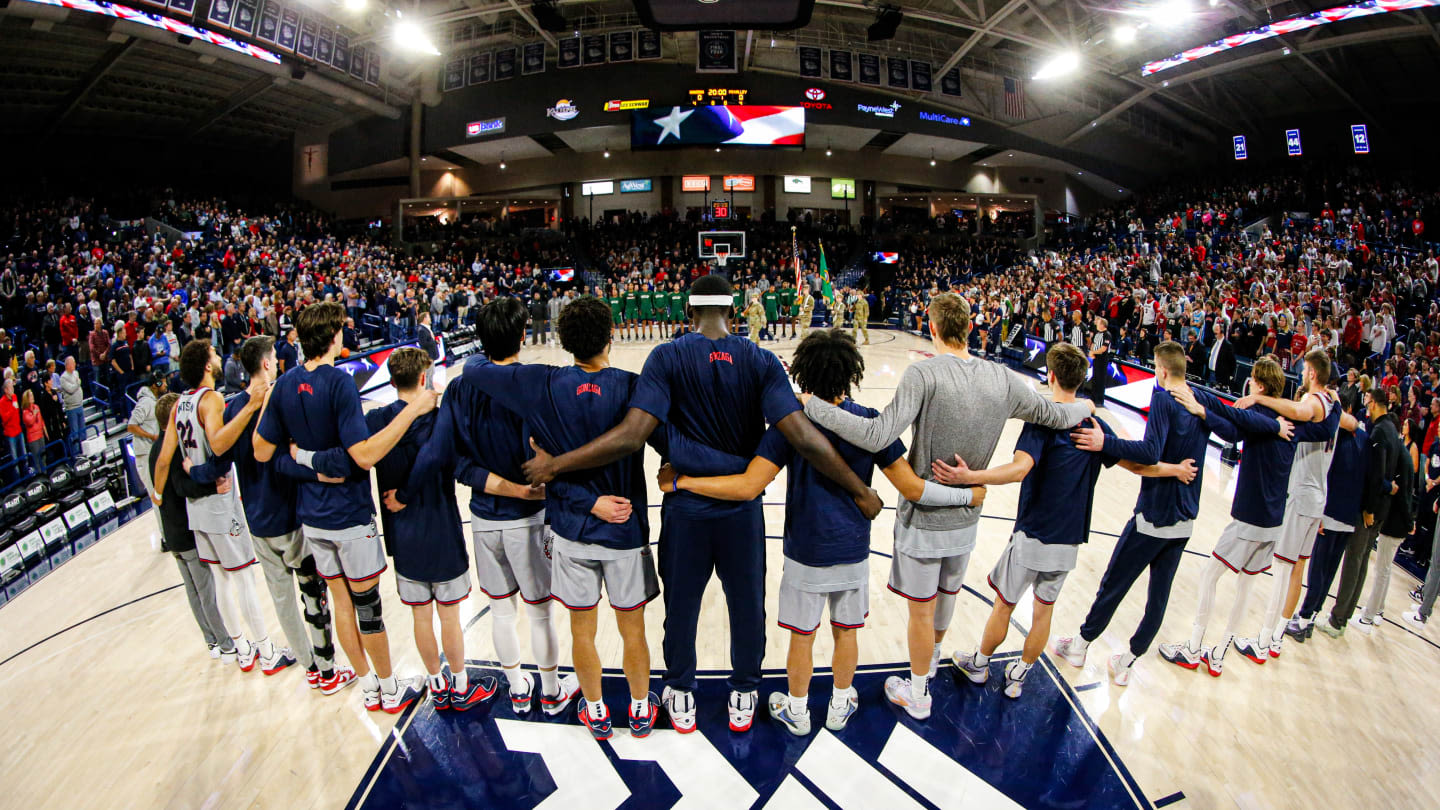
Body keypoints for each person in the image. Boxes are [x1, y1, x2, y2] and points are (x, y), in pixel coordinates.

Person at [518, 275, 882, 734]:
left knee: (682, 607)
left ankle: (683, 694)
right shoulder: (760, 360)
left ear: (688, 313)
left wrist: (557, 466)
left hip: (685, 508)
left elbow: (634, 434)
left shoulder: (666, 357)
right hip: (740, 514)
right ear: (732, 312)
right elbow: (802, 436)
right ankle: (745, 693)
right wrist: (860, 489)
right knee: (747, 607)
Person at [657, 329, 980, 734]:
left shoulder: (791, 427)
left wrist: (682, 482)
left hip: (806, 550)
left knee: (802, 637)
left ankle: (797, 709)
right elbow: (913, 488)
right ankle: (841, 703)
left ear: (804, 374)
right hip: (853, 549)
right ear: (851, 374)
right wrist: (968, 496)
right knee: (847, 633)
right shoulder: (870, 424)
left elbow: (747, 486)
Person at [801, 293, 1092, 720]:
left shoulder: (924, 374)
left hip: (924, 521)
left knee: (920, 612)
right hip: (969, 516)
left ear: (932, 328)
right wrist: (1086, 404)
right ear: (970, 328)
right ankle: (932, 661)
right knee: (948, 596)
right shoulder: (1005, 380)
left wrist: (815, 409)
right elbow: (1058, 414)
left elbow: (878, 433)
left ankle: (918, 692)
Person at [943, 344, 1193, 697]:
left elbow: (1019, 469)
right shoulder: (1095, 426)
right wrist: (1176, 469)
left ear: (1052, 376)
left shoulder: (1044, 419)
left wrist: (971, 477)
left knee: (1004, 605)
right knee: (1043, 613)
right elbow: (1138, 465)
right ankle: (1019, 676)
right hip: (1069, 539)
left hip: (1034, 533)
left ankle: (980, 665)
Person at [467, 296, 658, 740]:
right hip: (624, 530)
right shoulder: (633, 386)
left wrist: (490, 340)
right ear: (613, 335)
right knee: (633, 630)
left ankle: (595, 710)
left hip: (572, 529)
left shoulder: (541, 382)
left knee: (582, 630)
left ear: (561, 340)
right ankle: (640, 708)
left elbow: (476, 370)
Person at [384, 298, 576, 717]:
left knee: (502, 611)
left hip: (485, 518)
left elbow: (440, 456)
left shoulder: (458, 387)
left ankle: (517, 688)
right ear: (522, 336)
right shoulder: (534, 382)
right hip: (529, 518)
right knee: (540, 612)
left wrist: (404, 494)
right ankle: (550, 688)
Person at [1055, 342, 1282, 685]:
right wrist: (1212, 413)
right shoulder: (1201, 399)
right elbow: (1235, 433)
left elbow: (1148, 452)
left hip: (1154, 515)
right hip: (1185, 520)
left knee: (1114, 585)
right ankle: (1127, 663)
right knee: (1158, 599)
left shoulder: (1163, 399)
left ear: (1160, 371)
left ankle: (1081, 645)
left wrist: (1107, 443)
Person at [252, 302, 435, 713]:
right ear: (334, 336)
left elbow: (263, 452)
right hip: (350, 517)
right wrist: (414, 411)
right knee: (368, 606)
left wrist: (306, 464)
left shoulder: (284, 385)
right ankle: (389, 690)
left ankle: (369, 685)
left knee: (340, 603)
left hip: (312, 518)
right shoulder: (339, 384)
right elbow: (364, 456)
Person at [314, 348, 498, 711]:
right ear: (422, 378)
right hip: (442, 529)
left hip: (402, 534)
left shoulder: (377, 418)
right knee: (449, 616)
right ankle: (460, 686)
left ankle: (435, 683)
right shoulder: (441, 416)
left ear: (393, 379)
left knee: (420, 615)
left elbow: (348, 456)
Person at [183, 336, 354, 695]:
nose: (277, 362)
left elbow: (218, 461)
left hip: (256, 520)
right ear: (265, 364)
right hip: (290, 514)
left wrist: (194, 474)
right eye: (274, 357)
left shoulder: (231, 408)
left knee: (282, 601)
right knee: (312, 595)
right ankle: (327, 670)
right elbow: (289, 455)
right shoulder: (280, 398)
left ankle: (310, 668)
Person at [1158, 356, 1329, 675]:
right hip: (1274, 521)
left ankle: (1194, 649)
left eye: (1251, 379)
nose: (1247, 383)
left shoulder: (1261, 413)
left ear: (1259, 384)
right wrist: (1205, 409)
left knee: (1210, 576)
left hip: (1250, 518)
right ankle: (1219, 652)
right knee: (1245, 586)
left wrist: (1200, 407)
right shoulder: (1291, 421)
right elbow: (1233, 425)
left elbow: (1230, 423)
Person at [151, 340, 283, 674]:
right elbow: (219, 443)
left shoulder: (179, 402)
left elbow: (164, 458)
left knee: (222, 580)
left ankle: (241, 649)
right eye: (213, 354)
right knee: (242, 579)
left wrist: (156, 494)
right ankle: (267, 651)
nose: (218, 356)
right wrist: (251, 407)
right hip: (219, 504)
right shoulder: (209, 399)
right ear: (207, 366)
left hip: (196, 510)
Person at [1229, 349, 1345, 662]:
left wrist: (1259, 400)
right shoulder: (1335, 403)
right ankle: (1277, 637)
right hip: (1318, 495)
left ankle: (1264, 641)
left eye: (1305, 369)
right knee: (1297, 569)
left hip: (1303, 493)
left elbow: (1300, 412)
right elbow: (1352, 424)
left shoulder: (1315, 402)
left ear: (1311, 372)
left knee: (1281, 568)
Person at [148, 392, 234, 660]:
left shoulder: (155, 448)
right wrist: (212, 484)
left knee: (194, 590)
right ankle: (226, 642)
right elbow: (181, 486)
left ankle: (211, 641)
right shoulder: (169, 449)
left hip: (171, 533)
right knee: (205, 590)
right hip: (184, 531)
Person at [1320, 387, 1404, 636]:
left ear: (1375, 404)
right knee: (1361, 561)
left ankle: (1337, 620)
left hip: (1371, 508)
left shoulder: (1379, 431)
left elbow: (1376, 474)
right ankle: (1343, 616)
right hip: (1381, 508)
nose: (1365, 407)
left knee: (1353, 561)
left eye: (1368, 403)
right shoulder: (1392, 428)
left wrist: (1368, 509)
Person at [1290, 390, 1366, 637]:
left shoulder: (1336, 435)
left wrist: (1321, 512)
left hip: (1329, 512)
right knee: (1329, 571)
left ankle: (1302, 620)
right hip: (1349, 516)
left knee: (1317, 570)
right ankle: (1310, 618)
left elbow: (1328, 474)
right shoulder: (1363, 438)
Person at [127, 373, 167, 518]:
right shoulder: (145, 402)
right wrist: (152, 436)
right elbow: (131, 425)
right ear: (155, 385)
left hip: (151, 453)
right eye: (163, 382)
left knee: (161, 493)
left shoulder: (153, 401)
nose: (166, 385)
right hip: (144, 455)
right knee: (155, 494)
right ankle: (164, 537)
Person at [60, 357, 84, 457]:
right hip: (72, 408)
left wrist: (77, 384)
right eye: (73, 363)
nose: (74, 364)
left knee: (82, 431)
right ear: (68, 365)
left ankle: (84, 450)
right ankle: (77, 454)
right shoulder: (63, 378)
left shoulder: (76, 373)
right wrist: (78, 383)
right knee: (75, 432)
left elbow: (76, 387)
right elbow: (71, 389)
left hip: (80, 405)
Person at [21, 389, 45, 473]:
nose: (33, 397)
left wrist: (44, 431)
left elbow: (41, 420)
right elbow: (30, 422)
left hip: (40, 435)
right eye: (31, 395)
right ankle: (40, 477)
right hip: (33, 439)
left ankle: (45, 474)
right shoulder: (25, 412)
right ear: (27, 399)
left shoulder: (36, 407)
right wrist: (34, 414)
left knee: (43, 457)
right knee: (37, 460)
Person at [417, 311, 442, 389]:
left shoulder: (426, 328)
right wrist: (433, 341)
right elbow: (423, 343)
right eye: (428, 317)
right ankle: (428, 391)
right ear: (424, 319)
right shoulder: (421, 330)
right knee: (428, 374)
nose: (430, 319)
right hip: (428, 355)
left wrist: (435, 342)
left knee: (431, 373)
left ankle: (431, 389)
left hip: (431, 354)